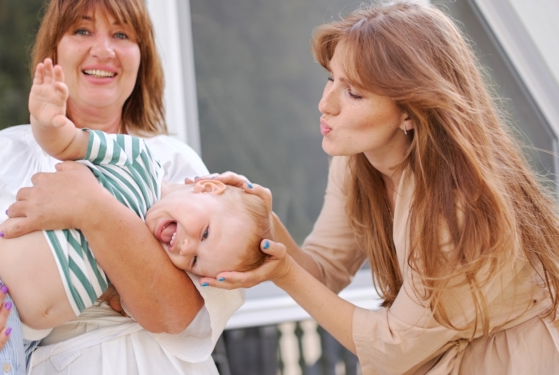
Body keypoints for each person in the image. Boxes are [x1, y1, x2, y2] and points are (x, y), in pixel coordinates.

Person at [0, 0, 245, 374]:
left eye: (121, 34)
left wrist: (92, 209)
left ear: (142, 55)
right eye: (82, 30)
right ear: (53, 52)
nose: (104, 49)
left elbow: (182, 314)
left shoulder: (175, 164)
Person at [190, 1, 559, 374]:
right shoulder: (356, 163)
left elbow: (393, 349)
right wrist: (262, 222)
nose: (325, 104)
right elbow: (322, 271)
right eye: (331, 78)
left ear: (411, 112)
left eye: (354, 93)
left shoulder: (457, 204)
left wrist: (284, 273)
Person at [0, 57, 271, 375]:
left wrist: (92, 208)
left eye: (194, 260)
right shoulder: (139, 158)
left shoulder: (165, 220)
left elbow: (167, 308)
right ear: (207, 188)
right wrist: (47, 120)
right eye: (204, 234)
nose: (185, 246)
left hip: (30, 333)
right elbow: (67, 144)